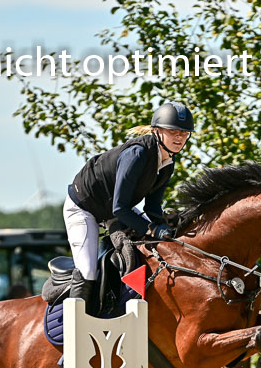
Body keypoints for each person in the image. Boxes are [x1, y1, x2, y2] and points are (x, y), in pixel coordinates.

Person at [63, 102, 193, 311]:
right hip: (84, 207)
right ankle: (76, 325)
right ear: (157, 131)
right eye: (173, 131)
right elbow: (120, 209)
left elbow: (152, 208)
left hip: (114, 206)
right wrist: (151, 228)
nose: (179, 137)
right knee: (87, 270)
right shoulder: (137, 155)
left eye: (184, 133)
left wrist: (168, 230)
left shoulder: (168, 162)